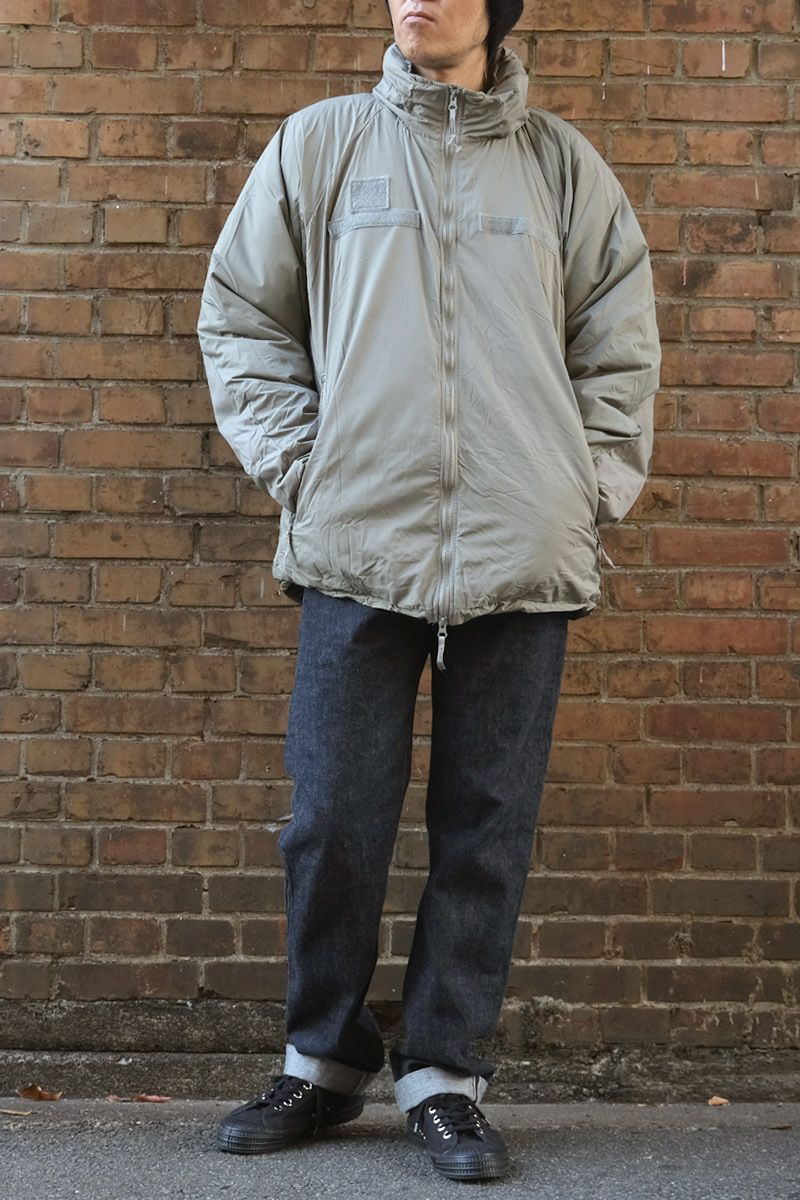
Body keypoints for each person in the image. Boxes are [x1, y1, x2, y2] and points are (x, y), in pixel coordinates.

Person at [196, 0, 661, 1182]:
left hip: (519, 547)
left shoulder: (560, 166)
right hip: (357, 542)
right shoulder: (322, 144)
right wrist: (303, 468)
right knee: (331, 817)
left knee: (484, 827)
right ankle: (320, 1059)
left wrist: (583, 488)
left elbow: (618, 340)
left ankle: (443, 1074)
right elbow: (243, 316)